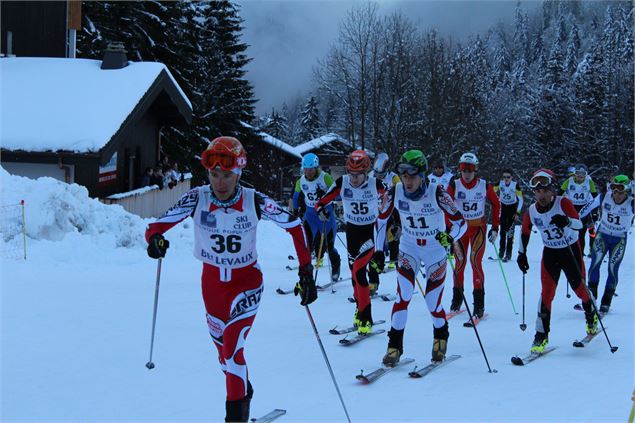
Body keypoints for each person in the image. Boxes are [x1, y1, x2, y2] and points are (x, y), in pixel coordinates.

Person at [144, 136, 316, 422]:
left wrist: (306, 270)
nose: (220, 182)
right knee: (225, 359)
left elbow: (295, 225)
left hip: (246, 285)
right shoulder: (196, 198)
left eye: (226, 175)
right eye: (214, 175)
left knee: (234, 347)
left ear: (238, 173)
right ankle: (243, 394)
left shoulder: (254, 200)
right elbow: (155, 227)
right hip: (212, 290)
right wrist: (155, 241)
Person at [376, 150, 466, 366]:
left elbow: (460, 223)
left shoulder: (438, 193)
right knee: (403, 296)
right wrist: (379, 251)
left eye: (412, 175)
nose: (407, 180)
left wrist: (449, 237)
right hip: (409, 248)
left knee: (432, 301)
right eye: (404, 175)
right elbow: (380, 221)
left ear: (423, 175)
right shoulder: (394, 192)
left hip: (434, 250)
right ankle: (394, 346)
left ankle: (440, 336)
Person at [517, 169, 599, 353]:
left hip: (570, 251)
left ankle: (591, 313)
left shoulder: (563, 203)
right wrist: (521, 254)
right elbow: (524, 233)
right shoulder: (531, 210)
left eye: (545, 191)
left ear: (552, 190)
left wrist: (566, 221)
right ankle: (541, 336)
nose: (542, 195)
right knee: (546, 294)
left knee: (580, 290)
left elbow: (579, 224)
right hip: (550, 254)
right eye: (538, 191)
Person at [315, 150, 386, 335]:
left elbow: (393, 199)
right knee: (355, 278)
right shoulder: (342, 182)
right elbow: (322, 201)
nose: (354, 179)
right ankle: (359, 308)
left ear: (367, 172)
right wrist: (321, 209)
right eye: (352, 175)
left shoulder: (376, 184)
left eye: (359, 175)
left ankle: (366, 317)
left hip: (369, 233)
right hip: (351, 233)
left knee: (359, 272)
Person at [446, 153, 501, 317]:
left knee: (475, 262)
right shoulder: (454, 185)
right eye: (463, 168)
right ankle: (457, 299)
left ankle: (479, 304)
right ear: (459, 169)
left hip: (478, 228)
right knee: (460, 263)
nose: (467, 173)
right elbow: (445, 206)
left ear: (476, 169)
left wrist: (495, 228)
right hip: (460, 230)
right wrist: (449, 228)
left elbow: (496, 204)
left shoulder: (484, 185)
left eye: (470, 169)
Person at [578, 174, 634, 313]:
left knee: (613, 268)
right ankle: (591, 298)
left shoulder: (632, 203)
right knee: (594, 265)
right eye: (615, 191)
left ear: (626, 191)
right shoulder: (604, 197)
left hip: (619, 239)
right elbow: (586, 208)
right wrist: (574, 221)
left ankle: (606, 301)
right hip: (602, 235)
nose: (618, 195)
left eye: (621, 192)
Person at [292, 153, 341, 282]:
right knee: (307, 245)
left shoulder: (325, 178)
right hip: (310, 215)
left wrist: (325, 194)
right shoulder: (301, 181)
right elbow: (296, 196)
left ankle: (336, 266)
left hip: (325, 214)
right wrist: (295, 210)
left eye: (311, 169)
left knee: (329, 246)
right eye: (306, 169)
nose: (308, 172)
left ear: (316, 168)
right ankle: (306, 274)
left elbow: (338, 195)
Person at [370, 152, 401, 292]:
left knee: (392, 237)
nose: (378, 177)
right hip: (374, 215)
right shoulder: (370, 176)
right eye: (377, 173)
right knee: (373, 249)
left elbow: (403, 193)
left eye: (381, 174)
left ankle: (395, 263)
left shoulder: (394, 178)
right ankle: (373, 282)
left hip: (391, 213)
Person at [560, 164, 598, 255]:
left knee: (591, 230)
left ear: (586, 175)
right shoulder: (569, 181)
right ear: (574, 173)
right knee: (578, 231)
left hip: (585, 207)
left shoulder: (589, 182)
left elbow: (595, 196)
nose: (580, 176)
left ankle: (591, 250)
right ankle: (579, 252)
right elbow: (559, 193)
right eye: (578, 173)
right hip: (572, 208)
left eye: (583, 174)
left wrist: (595, 211)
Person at [494, 169, 523, 262]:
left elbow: (521, 200)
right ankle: (501, 252)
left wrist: (517, 212)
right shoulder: (500, 183)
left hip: (512, 208)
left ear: (511, 178)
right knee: (502, 232)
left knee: (510, 232)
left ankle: (508, 254)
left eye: (508, 177)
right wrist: (495, 201)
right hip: (503, 207)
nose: (506, 179)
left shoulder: (515, 185)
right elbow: (492, 192)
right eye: (504, 177)